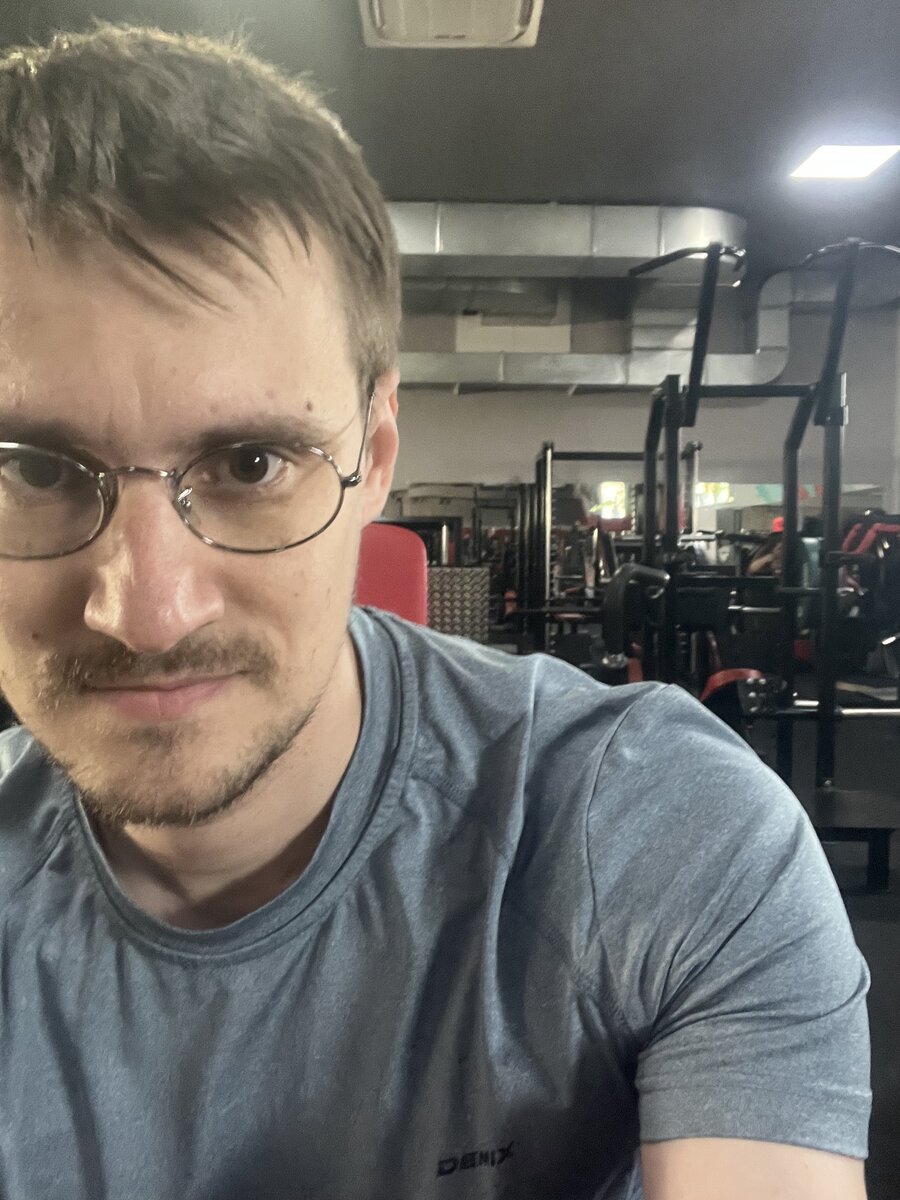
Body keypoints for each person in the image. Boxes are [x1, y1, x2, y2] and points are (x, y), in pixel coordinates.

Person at [0, 24, 870, 1200]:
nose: (146, 610)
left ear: (375, 456)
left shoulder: (659, 836)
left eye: (252, 464)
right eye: (33, 470)